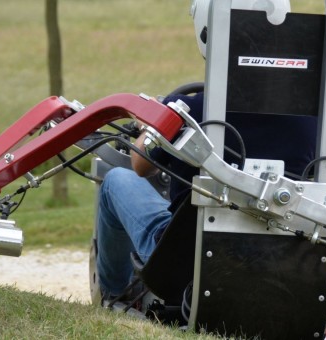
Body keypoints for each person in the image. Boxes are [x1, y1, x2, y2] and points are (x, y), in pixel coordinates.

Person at [96, 0, 309, 300]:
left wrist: (150, 126)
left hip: (187, 262)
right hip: (285, 257)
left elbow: (141, 164)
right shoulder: (311, 119)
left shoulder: (191, 109)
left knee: (115, 181)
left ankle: (112, 295)